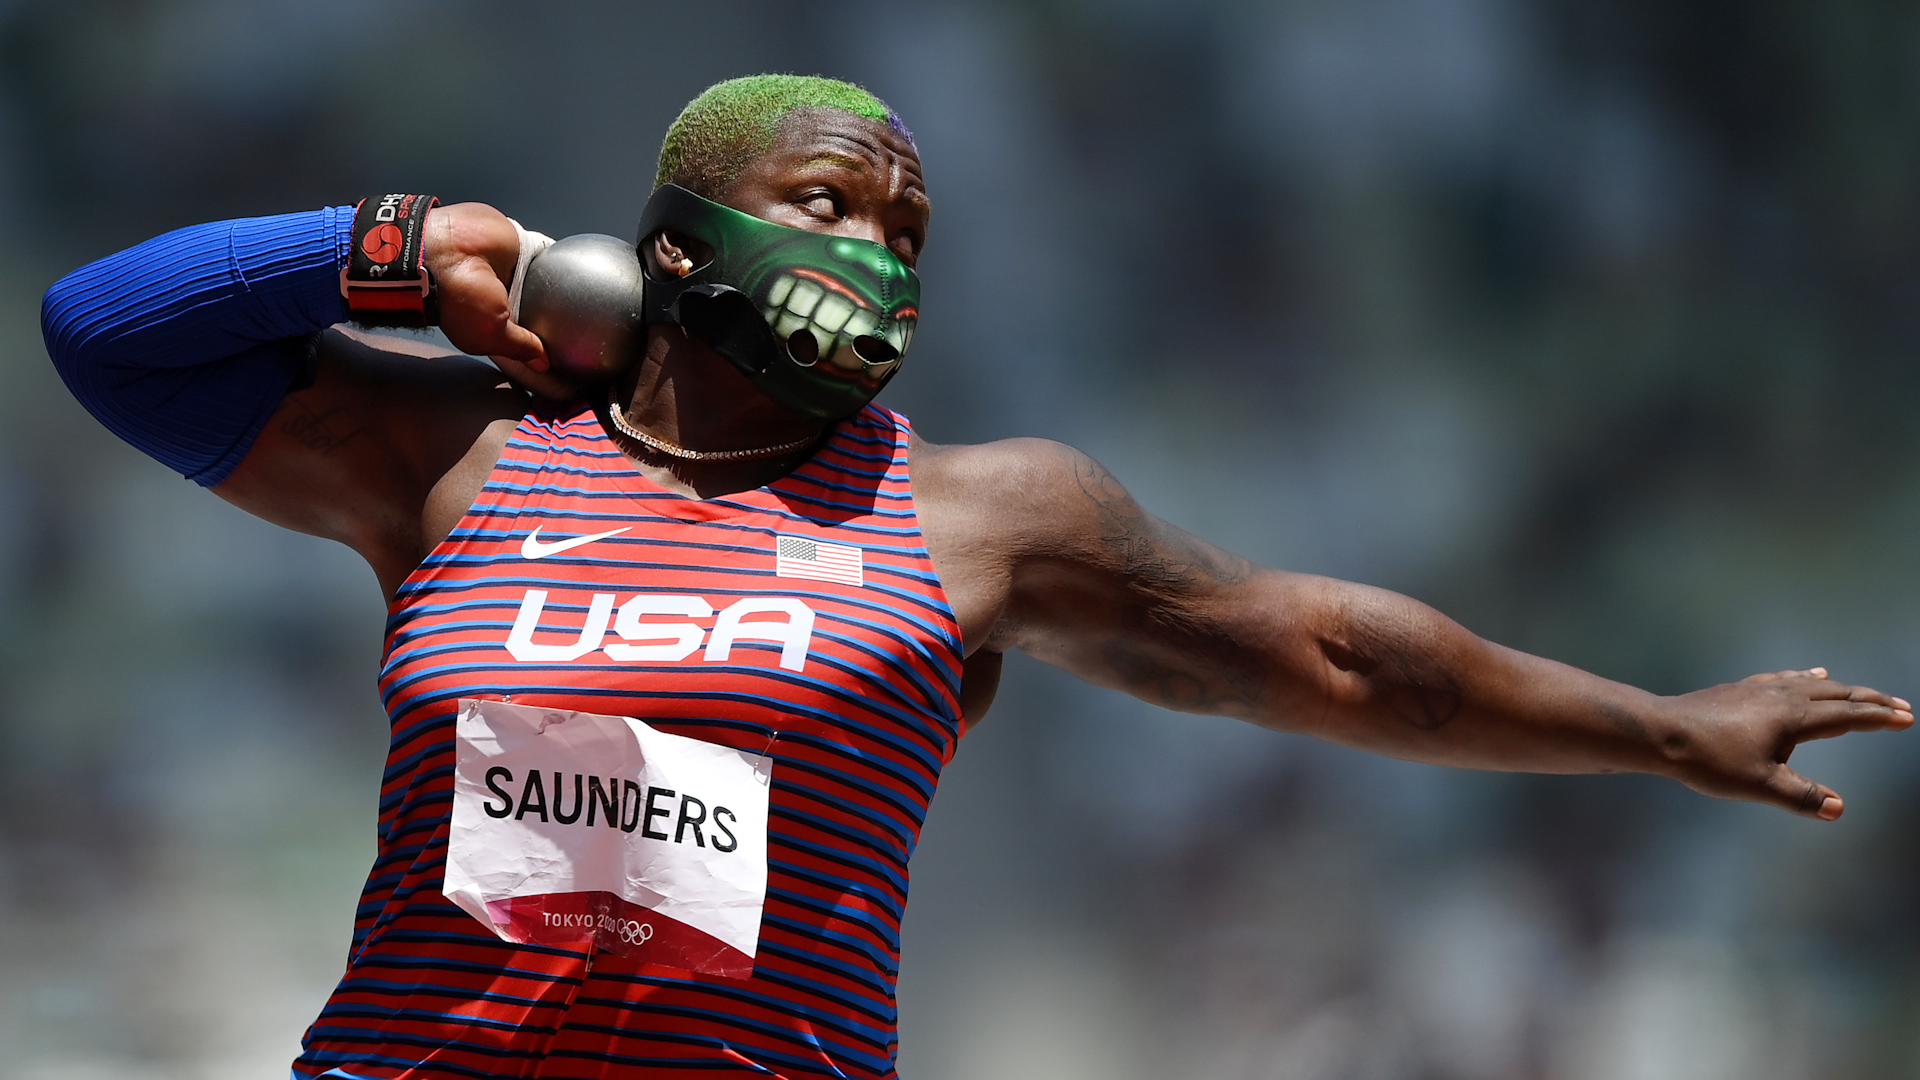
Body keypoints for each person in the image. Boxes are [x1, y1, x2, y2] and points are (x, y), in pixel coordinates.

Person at [39, 74, 1911, 1080]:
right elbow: (108, 337)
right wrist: (401, 243)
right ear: (670, 250)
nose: (882, 258)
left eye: (910, 231)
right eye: (836, 208)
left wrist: (1659, 730)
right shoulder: (452, 453)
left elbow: (1333, 657)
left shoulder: (983, 517)